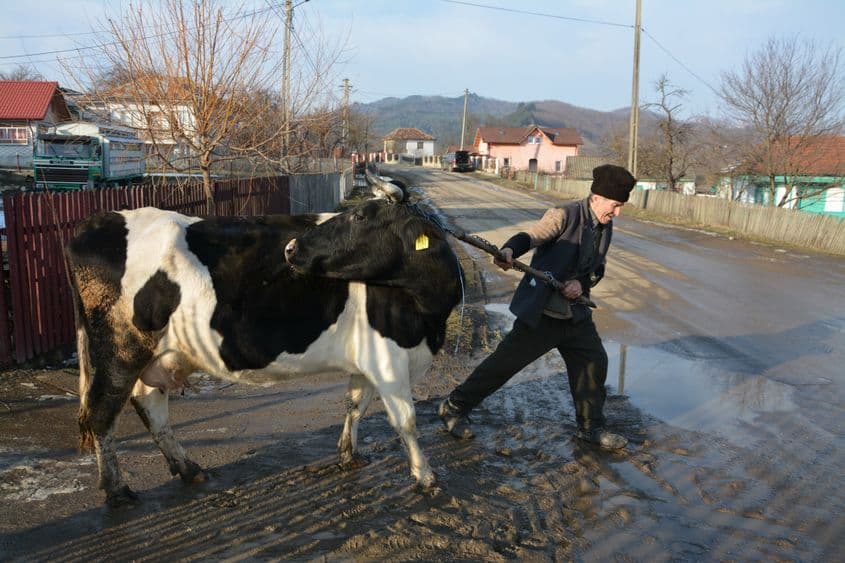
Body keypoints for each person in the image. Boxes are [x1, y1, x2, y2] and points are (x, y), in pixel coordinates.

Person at [438, 164, 637, 449]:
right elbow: (532, 237)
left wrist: (581, 283)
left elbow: (597, 268)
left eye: (620, 207)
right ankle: (454, 407)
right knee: (504, 364)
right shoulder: (563, 215)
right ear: (597, 198)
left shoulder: (604, 226)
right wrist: (508, 250)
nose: (617, 212)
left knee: (594, 362)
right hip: (544, 315)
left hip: (576, 316)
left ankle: (590, 428)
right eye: (615, 206)